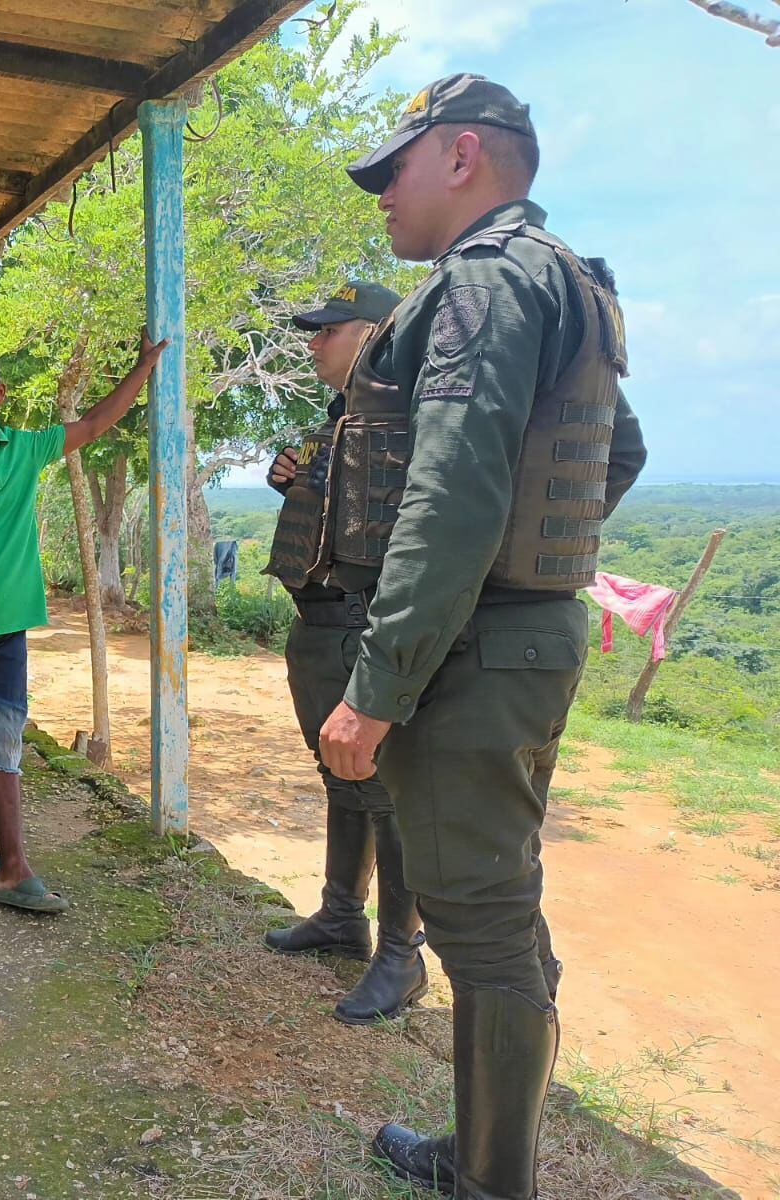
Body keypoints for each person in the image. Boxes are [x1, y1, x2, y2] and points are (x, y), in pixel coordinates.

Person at [315, 75, 646, 1197]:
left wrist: (377, 686)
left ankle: (491, 1182)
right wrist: (538, 573)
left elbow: (451, 492)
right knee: (496, 902)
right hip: (519, 638)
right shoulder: (569, 285)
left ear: (461, 156)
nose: (379, 197)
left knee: (484, 920)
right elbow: (617, 455)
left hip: (471, 654)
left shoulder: (482, 284)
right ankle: (483, 1153)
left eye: (390, 170)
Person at [0, 332, 168, 915]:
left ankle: (14, 864)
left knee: (2, 736)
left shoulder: (27, 449)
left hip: (9, 624)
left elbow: (96, 423)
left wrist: (144, 367)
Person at [262, 278, 430, 1027]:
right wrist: (296, 487)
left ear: (373, 331)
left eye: (328, 329)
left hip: (366, 628)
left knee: (384, 790)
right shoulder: (343, 421)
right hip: (321, 620)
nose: (314, 342)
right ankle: (340, 916)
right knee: (341, 778)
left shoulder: (413, 412)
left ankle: (401, 955)